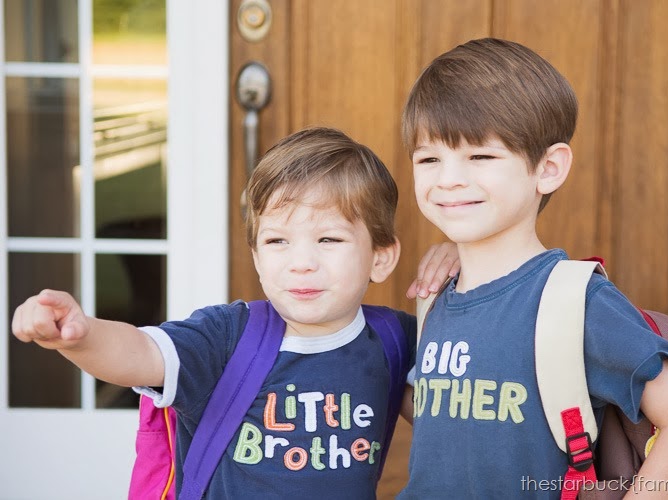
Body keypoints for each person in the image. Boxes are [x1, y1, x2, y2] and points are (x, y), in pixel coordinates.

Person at [11, 127, 458, 499]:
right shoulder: (228, 336)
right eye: (277, 241)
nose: (300, 261)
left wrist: (467, 264)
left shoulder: (395, 340)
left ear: (381, 257)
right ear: (258, 257)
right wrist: (81, 335)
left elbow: (460, 414)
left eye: (329, 240)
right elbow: (140, 353)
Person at [397, 38, 668, 499]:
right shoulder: (435, 295)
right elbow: (450, 420)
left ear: (548, 168)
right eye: (429, 158)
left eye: (480, 156)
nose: (447, 178)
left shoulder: (577, 303)